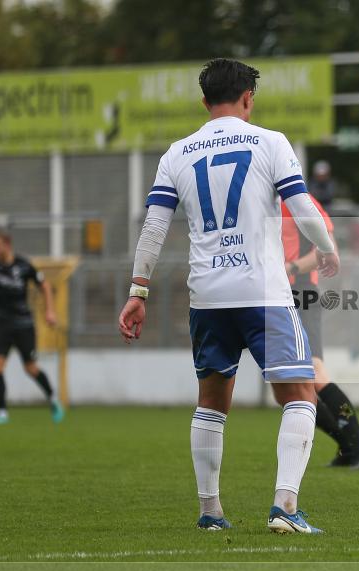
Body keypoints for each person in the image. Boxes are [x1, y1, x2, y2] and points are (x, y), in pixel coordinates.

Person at [117, 58, 339, 534]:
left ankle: (211, 512)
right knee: (301, 394)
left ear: (204, 102)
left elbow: (155, 227)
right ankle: (284, 506)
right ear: (248, 99)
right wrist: (326, 248)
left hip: (207, 294)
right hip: (262, 290)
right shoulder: (270, 141)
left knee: (212, 401)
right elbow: (301, 206)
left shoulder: (176, 153)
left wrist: (139, 291)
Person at [282, 195, 359, 469]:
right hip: (276, 297)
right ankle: (352, 447)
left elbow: (327, 247)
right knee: (288, 388)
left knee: (314, 373)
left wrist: (289, 268)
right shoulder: (260, 201)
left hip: (301, 293)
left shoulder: (298, 200)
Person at [0, 231, 62, 425]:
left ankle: (52, 398)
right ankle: (2, 412)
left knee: (31, 368)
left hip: (23, 325)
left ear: (7, 245)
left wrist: (50, 311)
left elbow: (44, 285)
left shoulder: (23, 265)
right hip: (0, 323)